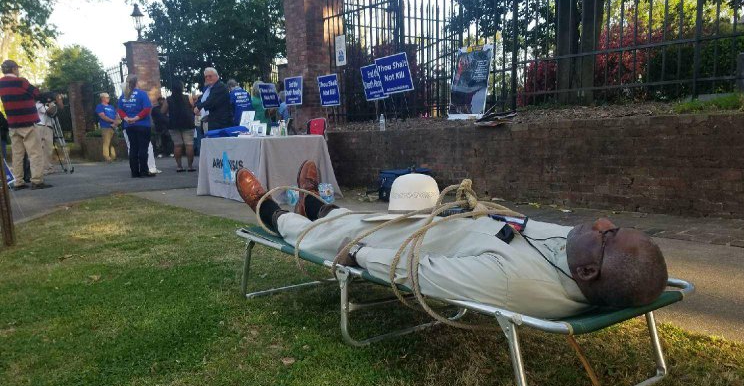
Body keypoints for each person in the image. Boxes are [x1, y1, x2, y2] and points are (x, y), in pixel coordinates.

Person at [234, 162, 669, 318]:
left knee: (337, 234)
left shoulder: (511, 281)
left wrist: (361, 255)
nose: (602, 223)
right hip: (436, 223)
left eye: (607, 235)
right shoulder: (576, 259)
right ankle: (317, 205)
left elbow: (422, 272)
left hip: (409, 242)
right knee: (366, 216)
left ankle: (273, 213)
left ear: (589, 271)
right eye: (611, 226)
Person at [0, 59, 51, 189]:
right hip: (27, 121)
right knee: (35, 152)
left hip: (12, 123)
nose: (18, 71)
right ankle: (37, 180)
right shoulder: (21, 81)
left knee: (17, 154)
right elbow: (36, 93)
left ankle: (18, 182)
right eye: (17, 68)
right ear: (13, 69)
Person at [116, 74, 154, 178]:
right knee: (143, 149)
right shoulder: (142, 94)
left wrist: (127, 118)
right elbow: (146, 109)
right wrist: (136, 118)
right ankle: (144, 171)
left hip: (129, 126)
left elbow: (120, 110)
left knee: (133, 148)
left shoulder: (123, 95)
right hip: (142, 125)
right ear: (137, 82)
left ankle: (134, 172)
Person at [163, 80, 199, 172]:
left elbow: (163, 111)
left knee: (177, 145)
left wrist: (169, 114)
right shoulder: (187, 97)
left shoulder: (168, 99)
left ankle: (179, 166)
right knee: (189, 145)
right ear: (182, 88)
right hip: (187, 123)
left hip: (174, 124)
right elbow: (193, 107)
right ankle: (190, 166)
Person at [35, 91, 61, 174]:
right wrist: (52, 105)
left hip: (48, 126)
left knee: (48, 148)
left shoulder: (46, 104)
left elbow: (53, 113)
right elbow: (49, 112)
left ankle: (48, 166)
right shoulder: (39, 104)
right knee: (41, 147)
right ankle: (42, 168)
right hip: (41, 126)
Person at [95, 93, 119, 162]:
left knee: (114, 142)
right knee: (106, 142)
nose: (109, 98)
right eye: (107, 97)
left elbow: (116, 115)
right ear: (102, 98)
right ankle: (107, 157)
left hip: (113, 127)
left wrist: (116, 122)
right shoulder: (100, 106)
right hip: (106, 127)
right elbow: (102, 116)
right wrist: (112, 121)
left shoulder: (111, 107)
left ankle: (113, 156)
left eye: (109, 97)